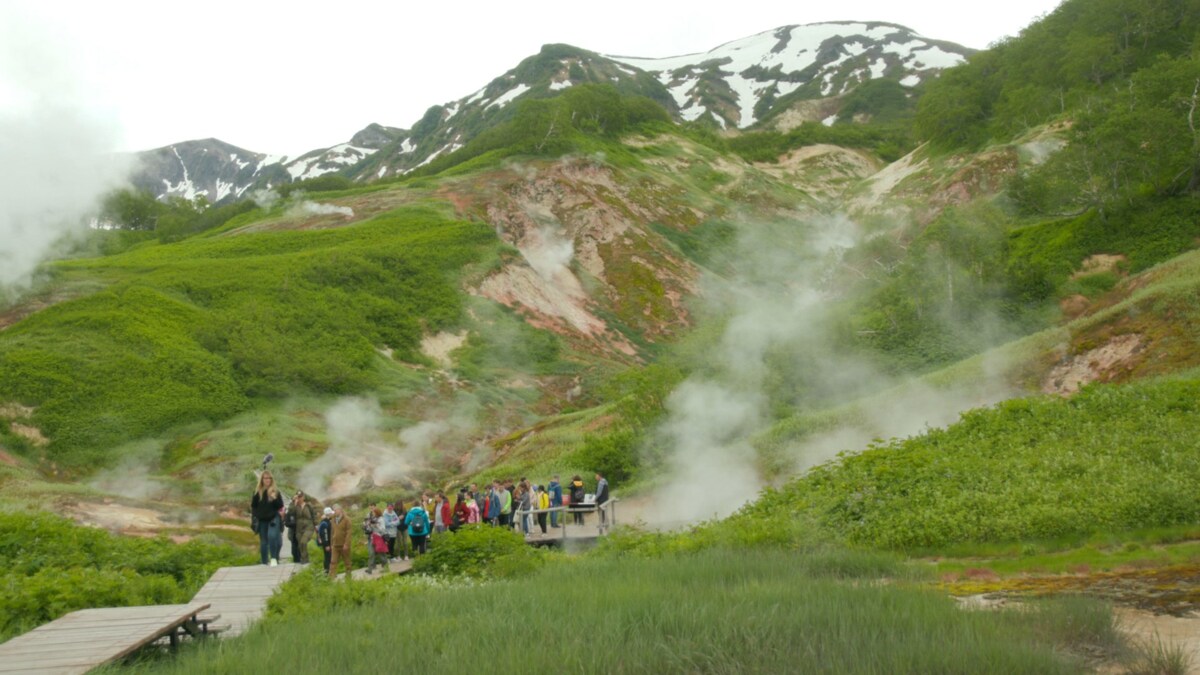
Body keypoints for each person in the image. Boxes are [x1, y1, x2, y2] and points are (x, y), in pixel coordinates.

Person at [250, 470, 285, 565]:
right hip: (262, 519)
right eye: (266, 478)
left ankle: (273, 558)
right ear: (262, 479)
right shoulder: (257, 492)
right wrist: (256, 516)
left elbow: (280, 506)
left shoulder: (275, 491)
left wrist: (274, 498)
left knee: (272, 536)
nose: (268, 480)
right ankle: (264, 561)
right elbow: (253, 506)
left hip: (273, 518)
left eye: (270, 478)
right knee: (264, 541)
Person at [329, 504, 352, 580]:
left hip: (344, 544)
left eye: (335, 510)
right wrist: (331, 544)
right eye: (334, 510)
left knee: (347, 561)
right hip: (335, 544)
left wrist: (346, 544)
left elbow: (349, 532)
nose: (334, 511)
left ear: (340, 510)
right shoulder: (333, 519)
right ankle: (332, 577)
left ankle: (348, 575)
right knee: (333, 561)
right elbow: (332, 532)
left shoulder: (347, 519)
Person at [293, 491, 317, 564]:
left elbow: (314, 515)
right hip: (299, 528)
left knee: (304, 541)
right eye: (298, 497)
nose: (299, 499)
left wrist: (316, 525)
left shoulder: (308, 505)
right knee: (300, 544)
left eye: (301, 497)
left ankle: (305, 559)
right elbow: (290, 512)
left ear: (303, 497)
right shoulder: (295, 506)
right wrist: (294, 503)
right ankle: (304, 559)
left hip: (308, 526)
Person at [365, 507, 386, 574]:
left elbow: (383, 530)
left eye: (374, 512)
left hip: (379, 538)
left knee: (381, 554)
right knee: (371, 553)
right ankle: (370, 569)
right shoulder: (373, 519)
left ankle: (385, 567)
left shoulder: (381, 519)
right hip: (372, 538)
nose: (373, 514)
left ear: (377, 513)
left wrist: (376, 525)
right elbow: (370, 529)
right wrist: (367, 525)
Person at [317, 507, 333, 573]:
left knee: (329, 557)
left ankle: (330, 571)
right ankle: (327, 572)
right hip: (326, 543)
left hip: (328, 543)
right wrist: (327, 545)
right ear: (328, 514)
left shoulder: (327, 521)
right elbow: (325, 535)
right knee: (327, 557)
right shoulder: (325, 523)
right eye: (331, 513)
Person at [284, 495, 299, 562]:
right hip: (293, 532)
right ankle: (296, 560)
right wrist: (294, 524)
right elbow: (287, 523)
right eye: (296, 499)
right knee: (295, 546)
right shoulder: (290, 511)